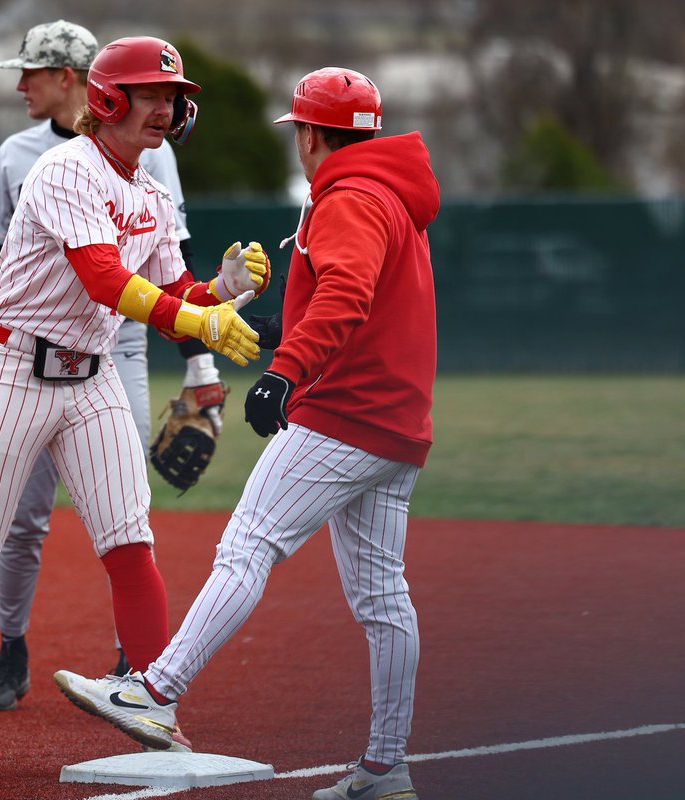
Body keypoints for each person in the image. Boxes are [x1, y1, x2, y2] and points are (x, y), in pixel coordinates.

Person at [0, 35, 267, 769]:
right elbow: (105, 279)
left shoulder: (151, 192)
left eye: (173, 98)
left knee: (130, 539)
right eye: (152, 95)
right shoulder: (64, 170)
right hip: (12, 368)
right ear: (108, 98)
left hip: (92, 376)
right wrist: (193, 316)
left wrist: (222, 290)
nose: (167, 108)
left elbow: (173, 295)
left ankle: (154, 705)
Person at [53, 66, 440, 800]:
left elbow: (348, 296)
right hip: (397, 424)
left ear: (312, 134)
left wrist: (283, 375)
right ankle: (386, 768)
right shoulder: (390, 191)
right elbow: (362, 304)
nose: (297, 142)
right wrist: (274, 331)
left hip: (344, 415)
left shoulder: (350, 196)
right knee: (384, 600)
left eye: (299, 130)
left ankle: (155, 691)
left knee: (248, 545)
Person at [0, 20, 227, 721]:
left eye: (32, 71)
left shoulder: (154, 160)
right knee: (20, 519)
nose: (21, 83)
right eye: (153, 95)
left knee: (127, 517)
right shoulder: (24, 156)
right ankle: (10, 649)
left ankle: (138, 674)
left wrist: (202, 359)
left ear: (69, 77)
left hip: (115, 346)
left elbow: (174, 268)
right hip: (23, 350)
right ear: (108, 96)